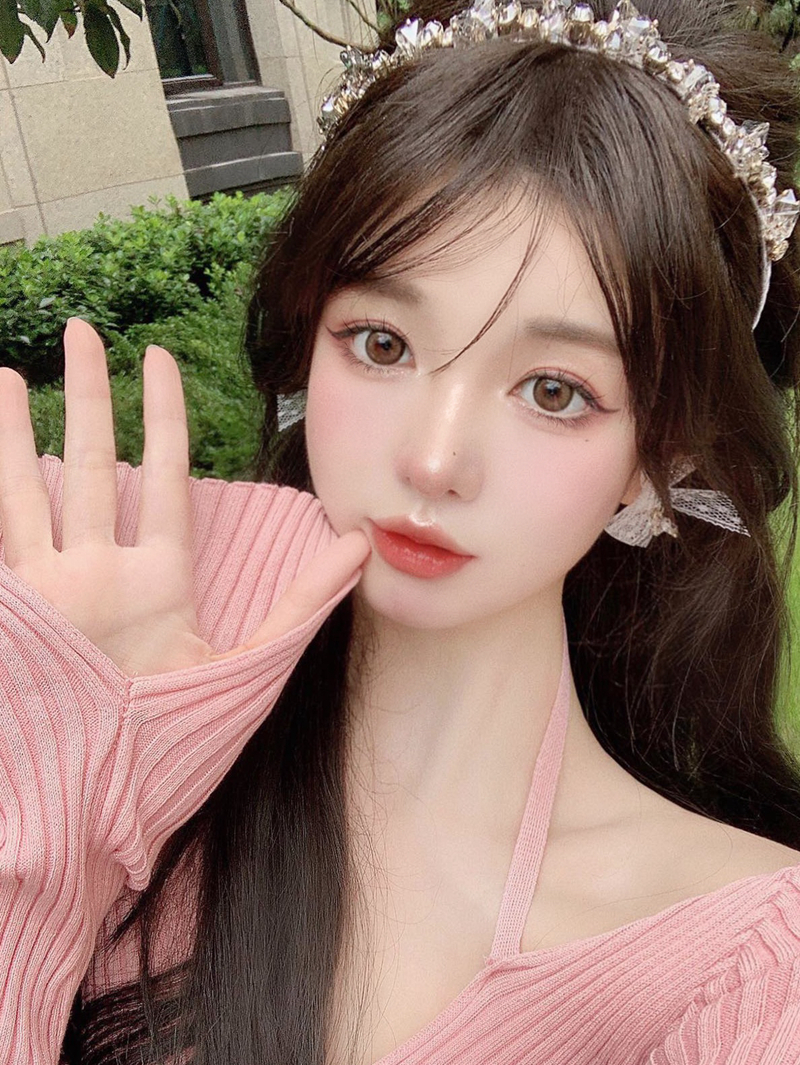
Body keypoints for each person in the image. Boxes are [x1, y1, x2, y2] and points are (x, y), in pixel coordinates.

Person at [2, 0, 800, 1061]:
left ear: (668, 451)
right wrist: (60, 787)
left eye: (553, 390)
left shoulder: (745, 973)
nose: (433, 458)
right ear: (307, 345)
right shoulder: (99, 694)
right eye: (381, 343)